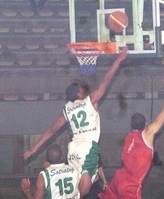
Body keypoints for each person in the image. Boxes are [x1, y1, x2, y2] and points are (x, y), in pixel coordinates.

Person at [23, 46, 128, 198]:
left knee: (73, 190)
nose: (83, 90)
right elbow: (106, 81)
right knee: (82, 192)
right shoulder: (90, 101)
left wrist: (35, 147)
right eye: (81, 89)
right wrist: (118, 60)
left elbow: (52, 130)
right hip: (87, 148)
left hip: (72, 150)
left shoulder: (68, 109)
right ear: (78, 93)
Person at [98, 69, 164, 199]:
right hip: (130, 186)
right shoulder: (147, 135)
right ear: (146, 124)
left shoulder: (129, 137)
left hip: (118, 180)